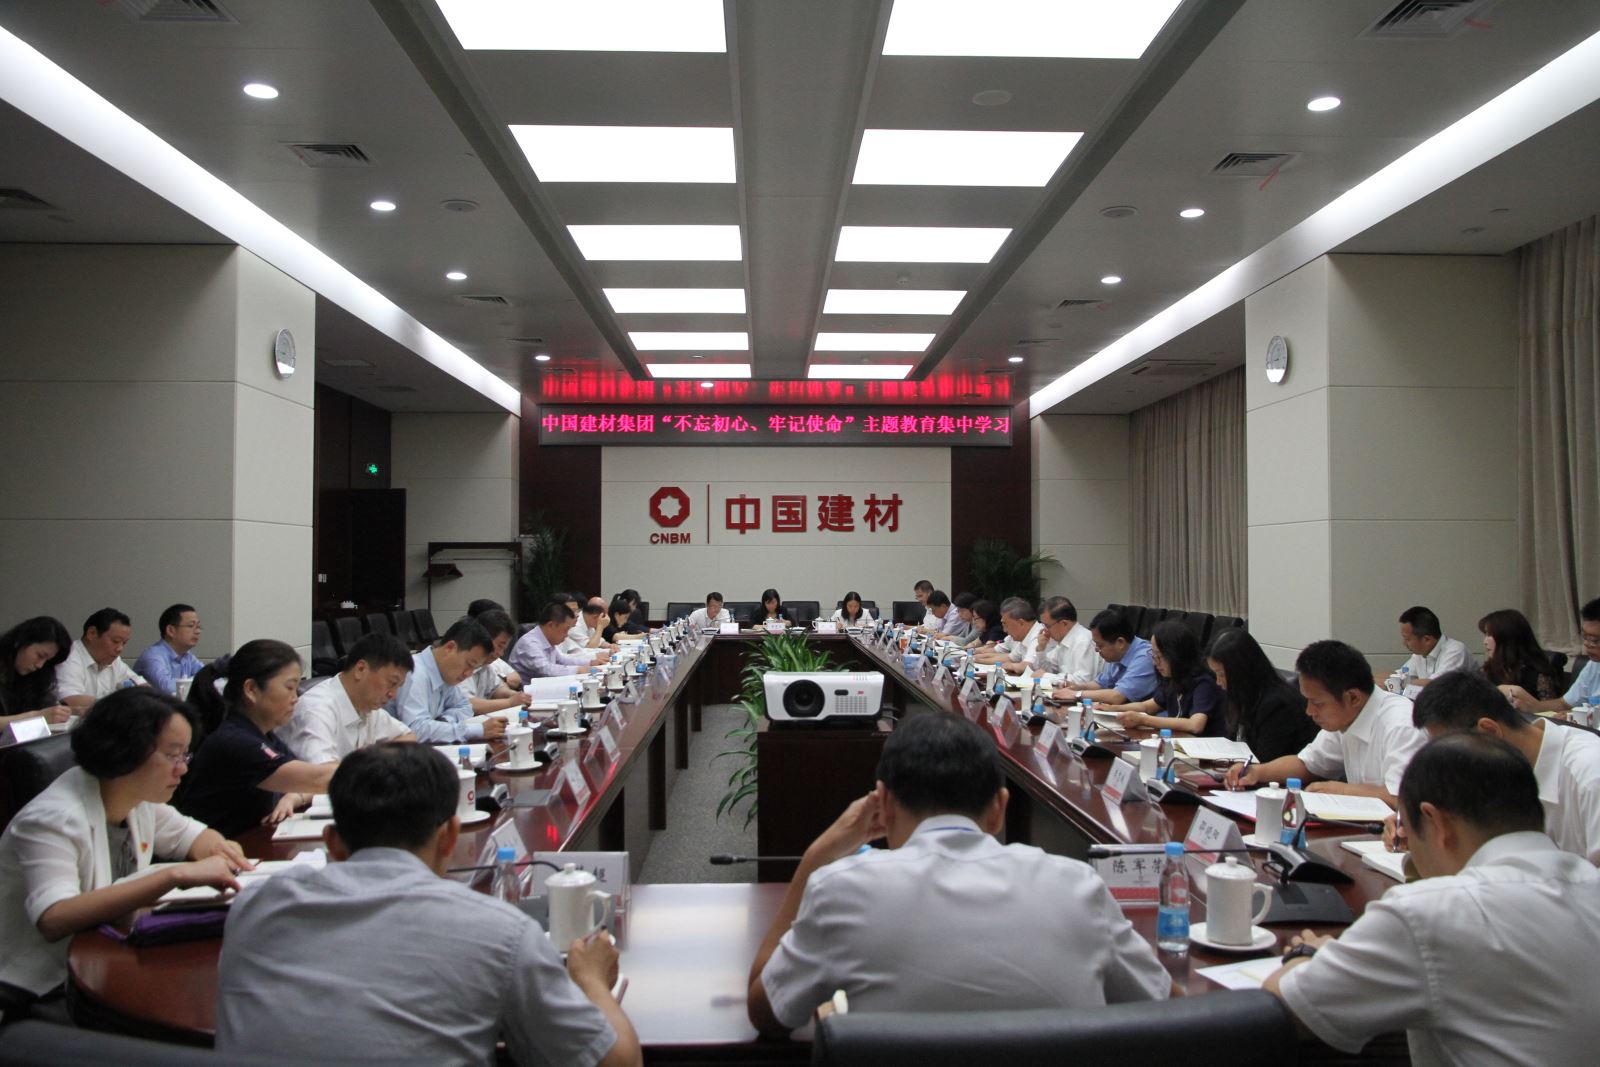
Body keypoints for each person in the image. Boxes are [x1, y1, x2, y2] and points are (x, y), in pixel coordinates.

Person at [215, 743, 640, 1067]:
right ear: (450, 837)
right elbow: (618, 1063)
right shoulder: (500, 933)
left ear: (332, 842)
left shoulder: (255, 907)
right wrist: (592, 981)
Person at [746, 713, 1169, 1036]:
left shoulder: (842, 890)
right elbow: (1169, 1009)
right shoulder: (1079, 889)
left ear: (883, 804)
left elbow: (766, 1010)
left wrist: (815, 857)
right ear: (999, 809)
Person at [1264, 733, 1600, 1065]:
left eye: (1407, 829)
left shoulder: (1430, 913)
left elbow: (1287, 1007)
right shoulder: (1589, 883)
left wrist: (1308, 955)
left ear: (1436, 822)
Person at [0, 689, 246, 1013]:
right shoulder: (52, 818)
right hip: (37, 984)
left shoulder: (135, 797)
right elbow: (54, 917)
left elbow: (196, 837)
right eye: (173, 756)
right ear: (124, 750)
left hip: (100, 958)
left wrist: (222, 849)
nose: (182, 770)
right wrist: (174, 875)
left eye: (185, 756)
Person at [1406, 671, 1600, 864]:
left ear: (1489, 731)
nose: (1449, 768)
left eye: (1450, 754)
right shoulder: (1498, 769)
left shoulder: (1590, 773)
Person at [1225, 639, 1425, 806]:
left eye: (1317, 703)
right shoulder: (1346, 717)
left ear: (1353, 697)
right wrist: (1257, 772)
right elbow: (1308, 763)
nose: (1309, 711)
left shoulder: (1402, 725)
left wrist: (1341, 790)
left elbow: (1402, 799)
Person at [178, 640, 339, 837]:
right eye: (289, 687)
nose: (296, 698)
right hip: (217, 849)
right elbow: (317, 779)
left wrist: (294, 796)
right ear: (251, 689)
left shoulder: (263, 735)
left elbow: (305, 780)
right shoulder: (235, 741)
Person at [278, 633, 417, 765]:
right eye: (392, 683)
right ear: (360, 669)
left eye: (398, 687)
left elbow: (409, 738)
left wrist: (373, 758)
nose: (393, 694)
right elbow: (321, 774)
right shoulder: (316, 711)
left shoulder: (367, 705)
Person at [1204, 628, 1317, 762]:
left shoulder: (1277, 706)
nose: (1218, 682)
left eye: (1222, 674)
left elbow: (1266, 761)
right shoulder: (1240, 696)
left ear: (1241, 670)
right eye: (1215, 674)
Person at [390, 617, 503, 744]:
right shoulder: (414, 673)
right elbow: (416, 730)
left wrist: (444, 721)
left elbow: (465, 707)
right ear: (450, 648)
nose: (468, 674)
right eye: (469, 664)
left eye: (474, 668)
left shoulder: (444, 673)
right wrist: (475, 730)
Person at [1112, 619, 1225, 736]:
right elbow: (1147, 707)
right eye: (1153, 655)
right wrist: (1113, 708)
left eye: (1159, 656)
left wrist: (1143, 720)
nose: (1155, 662)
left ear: (1176, 655)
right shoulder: (1172, 678)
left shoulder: (1204, 683)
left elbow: (1195, 725)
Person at [1501, 596, 1600, 716]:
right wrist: (1531, 706)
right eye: (1585, 637)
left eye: (1595, 640)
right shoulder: (1594, 666)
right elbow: (1564, 704)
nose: (1587, 644)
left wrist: (1575, 715)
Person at [1053, 609, 1158, 705]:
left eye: (1100, 645)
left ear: (1120, 643)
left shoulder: (1145, 658)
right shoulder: (1118, 654)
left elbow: (1117, 696)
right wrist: (1077, 687)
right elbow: (1100, 684)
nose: (1096, 649)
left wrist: (1077, 694)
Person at [54, 607, 146, 712]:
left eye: (124, 643)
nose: (120, 649)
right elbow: (70, 700)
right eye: (115, 641)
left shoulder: (114, 660)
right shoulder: (68, 658)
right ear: (92, 633)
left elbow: (140, 685)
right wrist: (119, 704)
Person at [0, 616, 73, 728]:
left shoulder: (38, 677)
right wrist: (36, 717)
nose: (40, 665)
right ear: (19, 642)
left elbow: (47, 707)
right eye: (40, 656)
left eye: (47, 661)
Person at [1477, 608, 1561, 701]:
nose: (1485, 642)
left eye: (1489, 635)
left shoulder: (1538, 673)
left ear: (1506, 637)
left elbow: (1549, 707)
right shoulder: (1488, 670)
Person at [463, 610, 535, 713]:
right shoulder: (461, 663)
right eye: (500, 646)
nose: (501, 653)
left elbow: (496, 689)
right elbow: (466, 704)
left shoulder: (486, 665)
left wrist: (513, 695)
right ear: (484, 637)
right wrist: (509, 702)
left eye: (504, 648)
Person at [1390, 605, 1469, 697]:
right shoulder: (1419, 654)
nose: (1404, 643)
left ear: (1427, 640)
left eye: (1407, 639)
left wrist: (1397, 683)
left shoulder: (1456, 651)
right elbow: (1400, 675)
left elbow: (1437, 684)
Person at [131, 603, 205, 696]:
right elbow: (167, 689)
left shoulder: (187, 656)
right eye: (191, 626)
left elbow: (208, 678)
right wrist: (199, 684)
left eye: (198, 627)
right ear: (170, 630)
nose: (198, 631)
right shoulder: (152, 657)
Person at [508, 600, 592, 679]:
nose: (566, 635)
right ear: (551, 625)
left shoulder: (547, 639)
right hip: (526, 688)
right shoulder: (530, 643)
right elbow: (546, 669)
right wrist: (578, 670)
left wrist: (590, 662)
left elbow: (562, 660)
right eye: (566, 629)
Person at [1036, 596, 1100, 686]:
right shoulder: (1063, 641)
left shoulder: (1083, 641)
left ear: (1064, 624)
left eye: (1047, 626)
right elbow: (1047, 670)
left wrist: (1046, 676)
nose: (1045, 631)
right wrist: (1041, 649)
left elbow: (1083, 681)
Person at [973, 597, 1043, 675]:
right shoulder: (1024, 636)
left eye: (1005, 624)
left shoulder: (1038, 634)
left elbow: (1026, 666)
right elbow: (1009, 658)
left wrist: (1007, 666)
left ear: (1021, 623)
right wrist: (974, 659)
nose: (1004, 630)